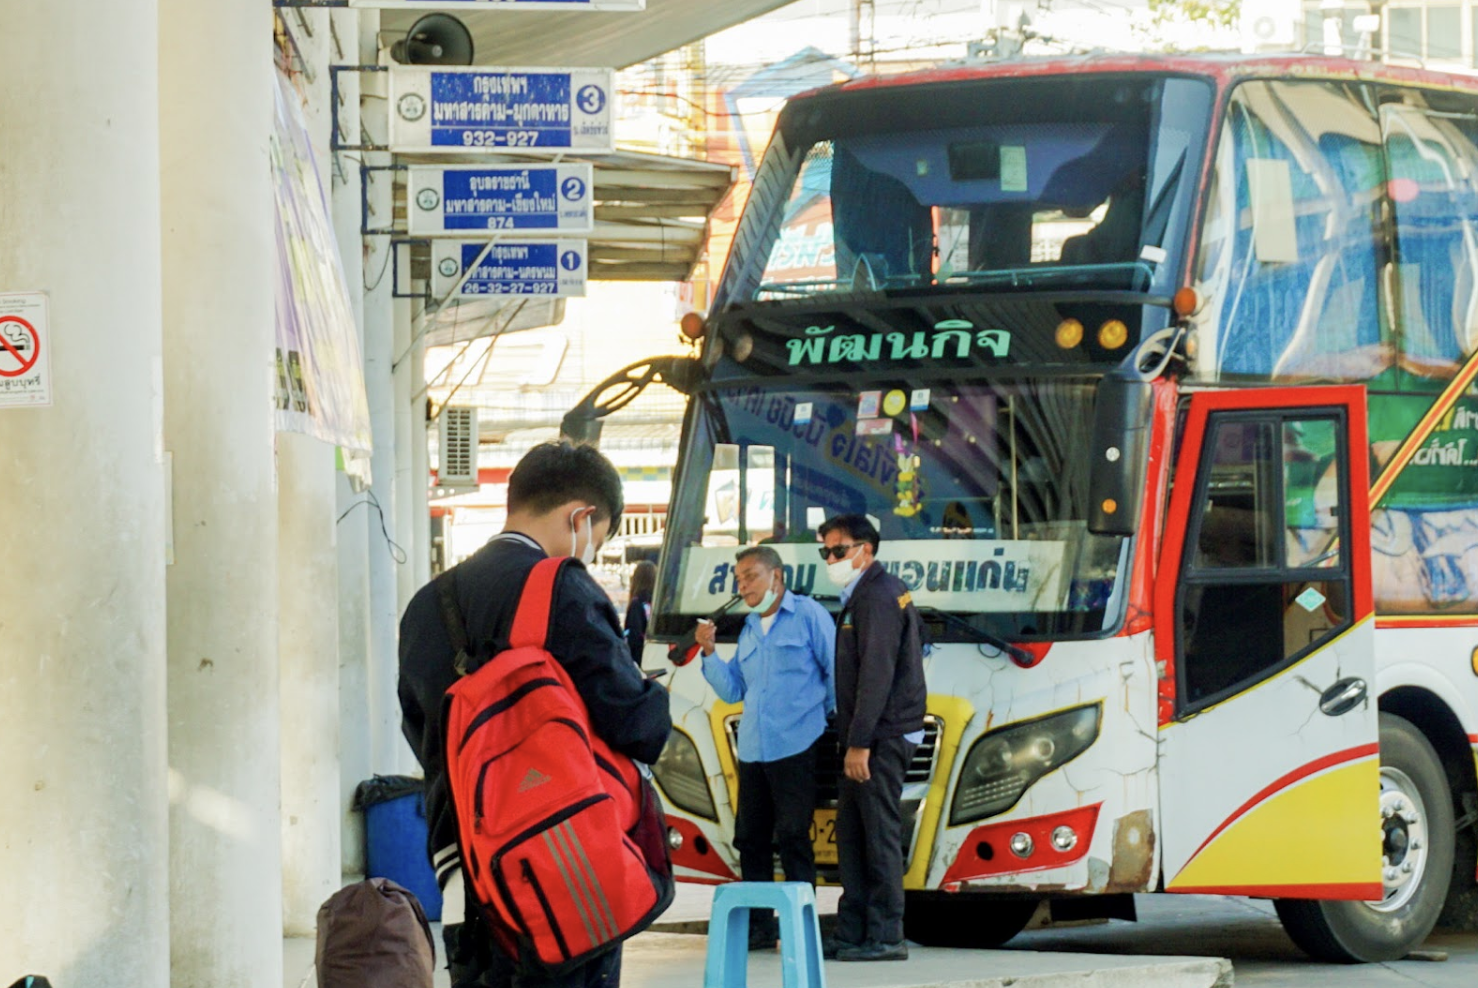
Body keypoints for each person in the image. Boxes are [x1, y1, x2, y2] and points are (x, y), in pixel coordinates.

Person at [398, 441, 672, 988]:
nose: (591, 551)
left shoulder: (426, 604)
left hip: (464, 869)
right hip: (562, 863)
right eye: (598, 536)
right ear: (580, 516)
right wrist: (650, 694)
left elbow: (421, 731)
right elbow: (635, 725)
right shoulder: (559, 586)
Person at [693, 546, 835, 951]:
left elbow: (834, 673)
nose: (744, 586)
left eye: (751, 576)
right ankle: (758, 928)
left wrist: (829, 720)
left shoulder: (808, 616)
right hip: (754, 748)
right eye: (739, 579)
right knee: (751, 839)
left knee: (793, 835)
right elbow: (735, 688)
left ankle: (800, 928)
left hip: (798, 743)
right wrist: (708, 652)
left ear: (777, 576)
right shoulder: (752, 627)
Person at [817, 514, 926, 962]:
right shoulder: (865, 593)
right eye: (825, 552)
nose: (831, 558)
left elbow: (876, 676)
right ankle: (854, 929)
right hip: (867, 735)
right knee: (853, 834)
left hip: (881, 737)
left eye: (839, 550)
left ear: (866, 549)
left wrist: (859, 743)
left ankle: (885, 935)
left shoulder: (877, 597)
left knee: (877, 834)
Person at [624, 559, 657, 664]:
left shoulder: (636, 604)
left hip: (642, 659)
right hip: (657, 655)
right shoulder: (660, 603)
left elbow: (633, 636)